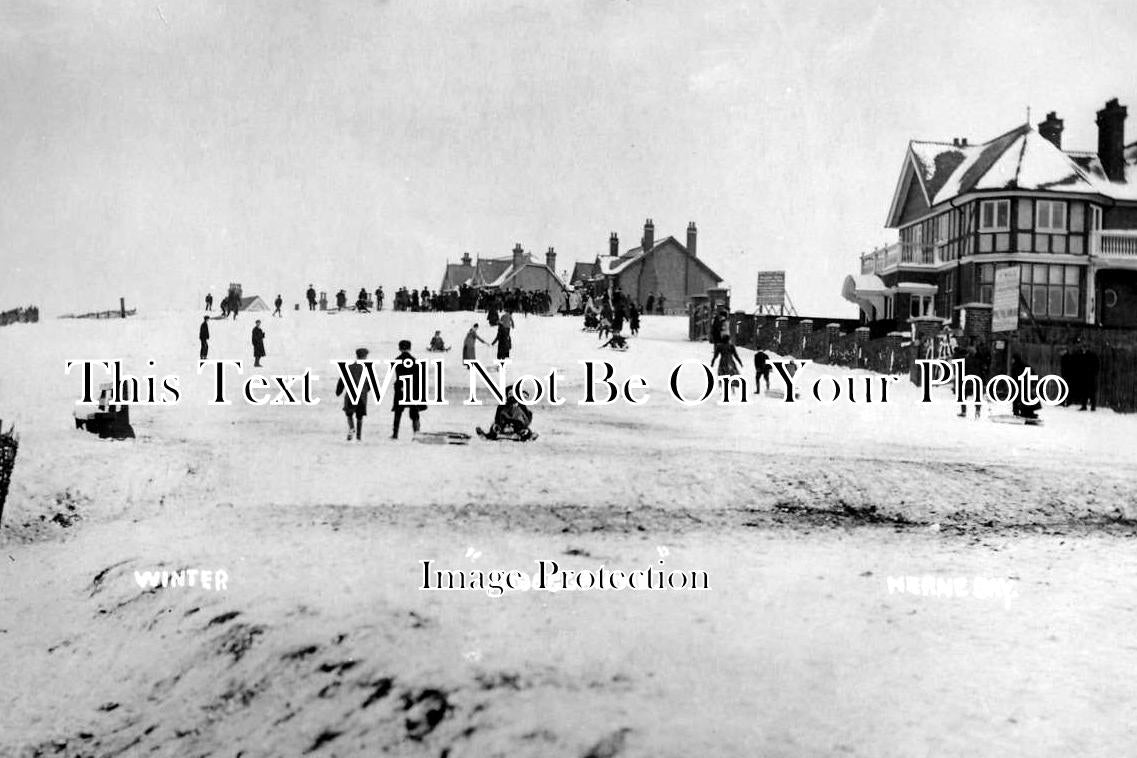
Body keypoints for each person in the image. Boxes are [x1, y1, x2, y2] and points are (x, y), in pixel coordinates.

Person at [335, 347, 373, 441]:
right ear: (365, 357)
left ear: (357, 356)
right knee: (359, 416)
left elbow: (342, 381)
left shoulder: (349, 367)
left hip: (350, 395)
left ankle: (351, 429)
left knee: (349, 414)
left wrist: (338, 391)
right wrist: (365, 390)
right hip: (362, 396)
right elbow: (371, 384)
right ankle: (359, 436)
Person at [391, 340, 423, 439]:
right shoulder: (414, 360)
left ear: (400, 348)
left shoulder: (397, 360)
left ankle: (395, 434)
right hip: (412, 388)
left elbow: (398, 374)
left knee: (398, 412)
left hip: (400, 387)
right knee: (415, 413)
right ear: (410, 348)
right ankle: (416, 434)